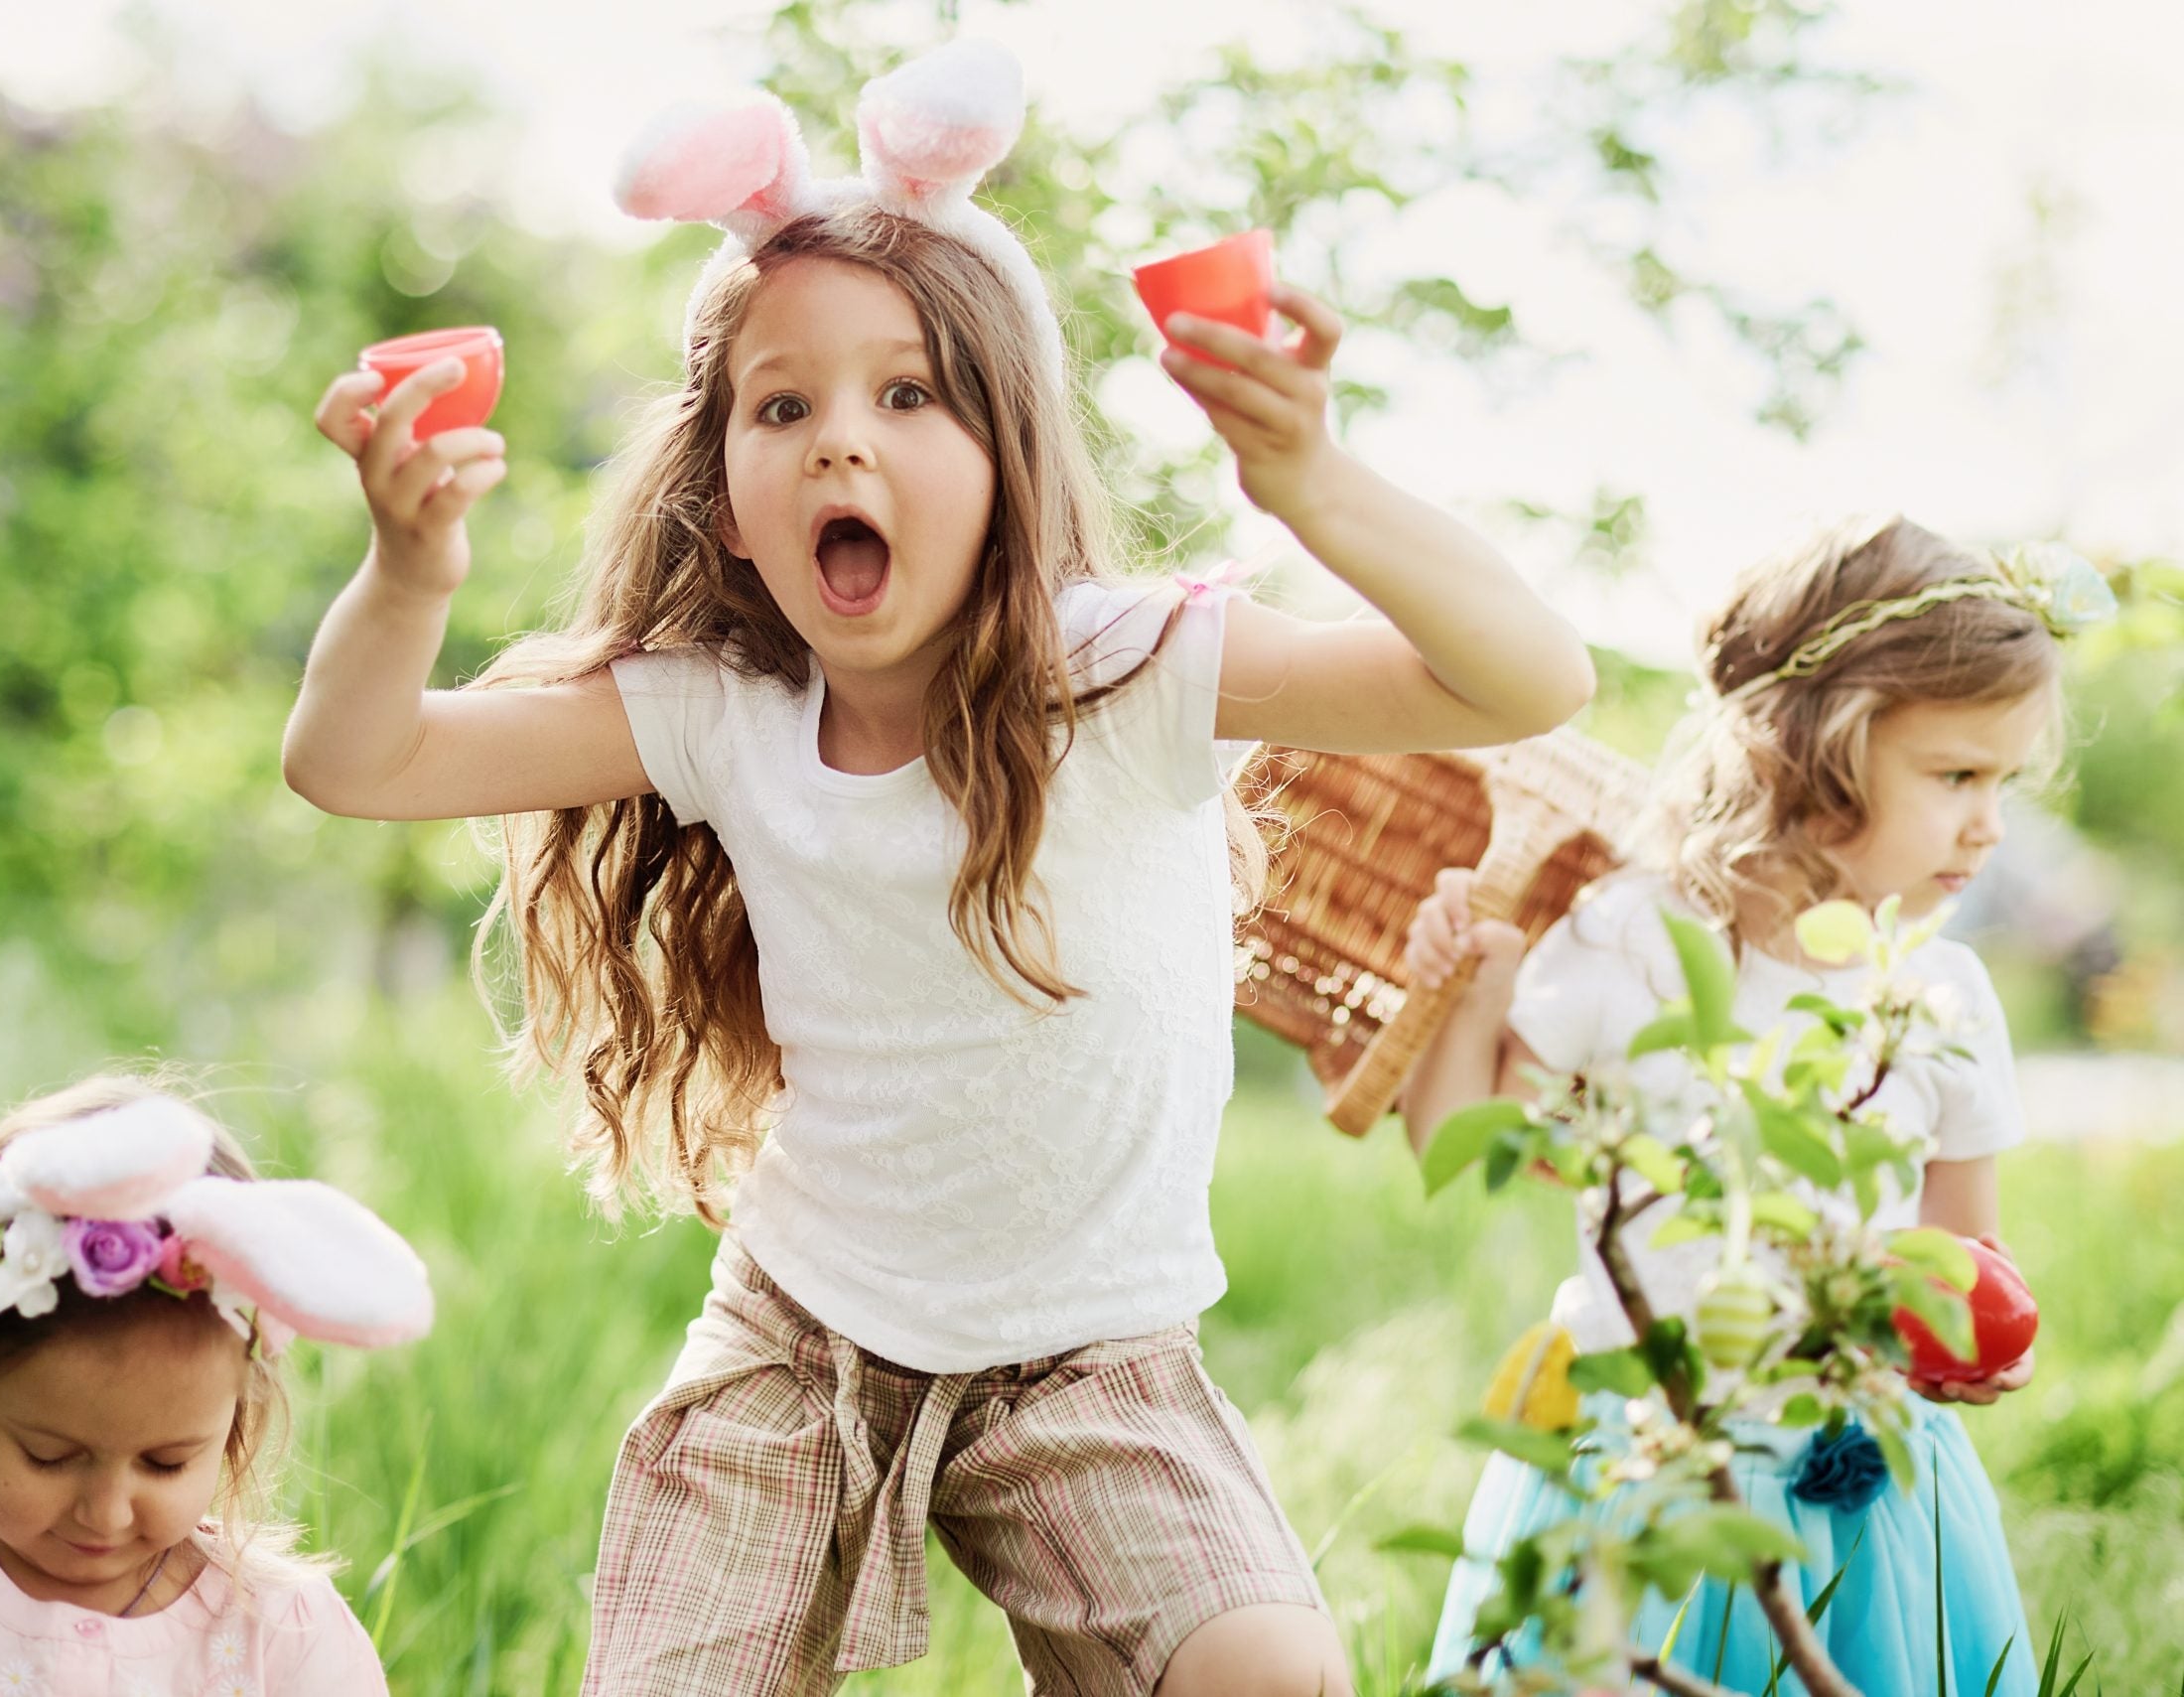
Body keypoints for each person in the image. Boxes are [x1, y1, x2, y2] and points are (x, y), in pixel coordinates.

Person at [285, 38, 1591, 1696]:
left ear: (1009, 465)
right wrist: (408, 568)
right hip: (803, 1337)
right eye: (786, 404)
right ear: (732, 508)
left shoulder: (1121, 668)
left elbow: (1520, 677)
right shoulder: (724, 713)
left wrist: (1307, 479)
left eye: (909, 394)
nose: (844, 442)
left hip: (1095, 1359)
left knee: (1274, 1676)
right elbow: (355, 760)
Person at [1403, 515, 2114, 1693]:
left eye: (2002, 781)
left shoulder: (1939, 992)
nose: (1989, 822)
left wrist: (1967, 1353)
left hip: (1857, 1473)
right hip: (1645, 1449)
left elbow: (1962, 1251)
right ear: (1813, 748)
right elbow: (1468, 1146)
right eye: (1955, 776)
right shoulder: (1632, 935)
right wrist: (1474, 997)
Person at [0, 1073, 434, 1696]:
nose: (108, 1512)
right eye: (49, 1455)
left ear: (237, 1406)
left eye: (166, 1461)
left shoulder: (284, 1637)